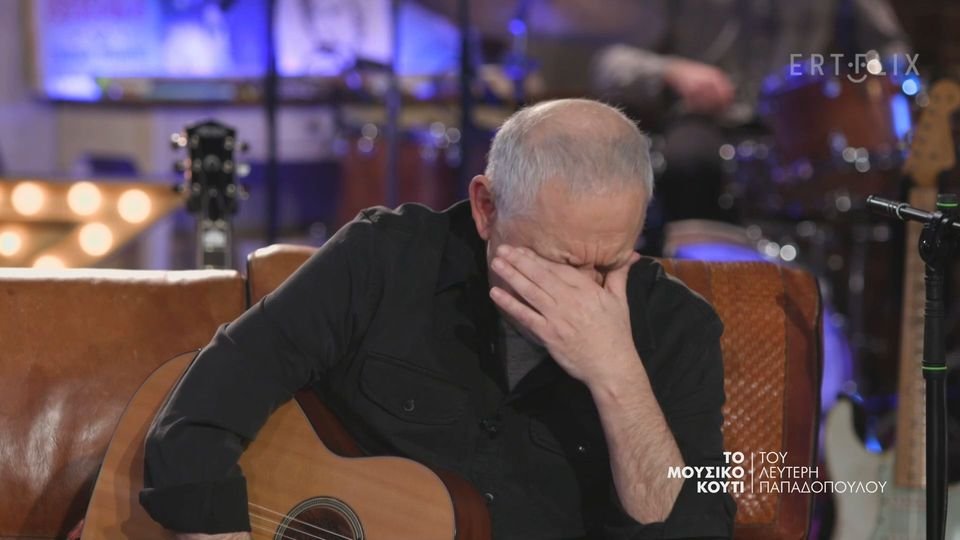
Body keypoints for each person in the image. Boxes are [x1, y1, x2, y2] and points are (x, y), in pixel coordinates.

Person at [140, 99, 735, 539]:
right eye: (557, 263)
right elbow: (203, 410)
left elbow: (696, 529)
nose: (583, 293)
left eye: (608, 263)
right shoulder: (383, 258)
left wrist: (616, 375)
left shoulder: (679, 328)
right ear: (486, 208)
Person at [591, 0, 910, 235]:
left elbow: (892, 52)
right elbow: (611, 64)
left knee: (889, 181)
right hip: (708, 121)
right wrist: (673, 71)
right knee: (688, 162)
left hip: (802, 126)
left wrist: (879, 86)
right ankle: (691, 279)